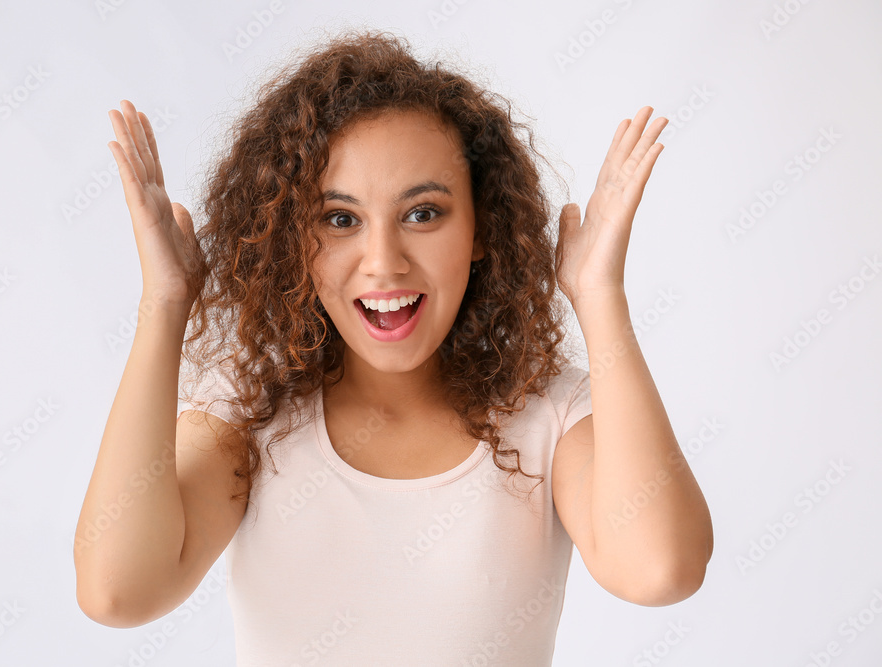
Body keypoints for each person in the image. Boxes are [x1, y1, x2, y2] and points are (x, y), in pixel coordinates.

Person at [74, 29, 713, 665]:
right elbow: (116, 591)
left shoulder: (550, 412)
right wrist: (164, 305)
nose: (383, 263)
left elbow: (661, 570)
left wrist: (599, 297)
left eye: (422, 213)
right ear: (295, 239)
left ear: (482, 228)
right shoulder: (248, 413)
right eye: (341, 219)